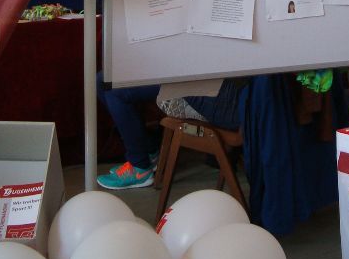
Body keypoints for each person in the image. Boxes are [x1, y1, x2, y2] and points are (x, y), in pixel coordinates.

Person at [95, 77, 243, 190]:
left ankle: (139, 168)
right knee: (103, 79)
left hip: (212, 89)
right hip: (188, 75)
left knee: (113, 89)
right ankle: (148, 150)